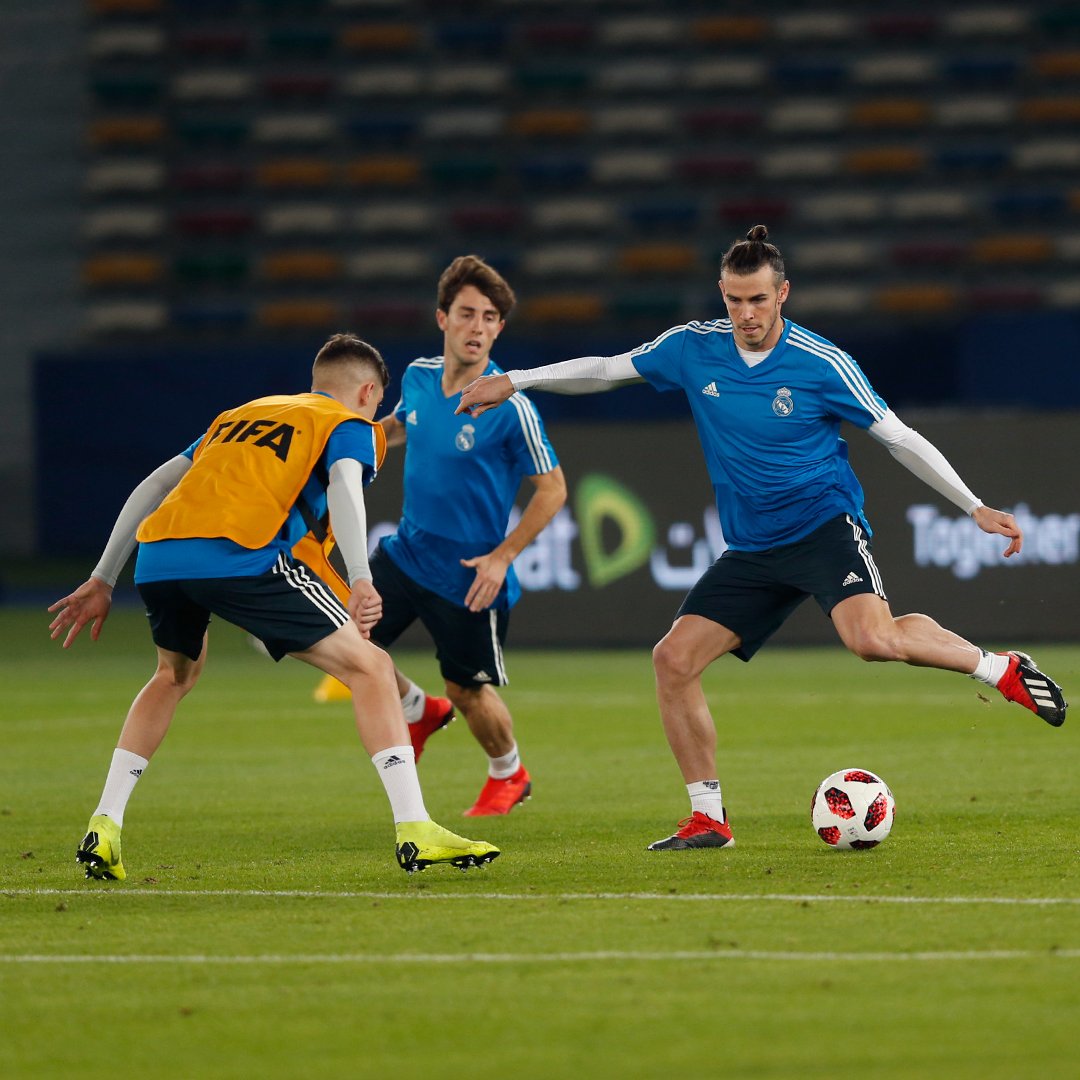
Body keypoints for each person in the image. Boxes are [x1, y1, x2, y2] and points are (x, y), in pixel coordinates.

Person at [457, 225, 1068, 850]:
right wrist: (518, 380)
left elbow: (899, 437)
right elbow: (609, 370)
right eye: (733, 300)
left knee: (872, 641)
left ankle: (999, 668)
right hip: (752, 547)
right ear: (722, 296)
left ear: (783, 294)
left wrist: (975, 506)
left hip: (823, 526)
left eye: (757, 300)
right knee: (672, 660)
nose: (745, 314)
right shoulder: (694, 348)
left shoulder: (820, 362)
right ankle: (708, 818)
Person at [48, 333, 499, 879]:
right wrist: (361, 577)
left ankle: (105, 823)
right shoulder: (348, 424)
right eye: (377, 403)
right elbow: (345, 486)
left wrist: (102, 577)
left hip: (160, 556)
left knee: (171, 676)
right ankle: (415, 828)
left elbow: (157, 482)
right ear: (368, 391)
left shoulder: (241, 415)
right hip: (240, 555)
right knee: (371, 665)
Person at [315, 255, 566, 816]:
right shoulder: (420, 377)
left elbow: (553, 490)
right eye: (467, 313)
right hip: (407, 553)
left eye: (490, 317)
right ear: (442, 318)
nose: (478, 327)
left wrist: (503, 558)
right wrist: (349, 447)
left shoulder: (512, 406)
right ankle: (413, 707)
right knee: (338, 637)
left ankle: (510, 773)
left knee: (466, 691)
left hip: (471, 573)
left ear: (500, 329)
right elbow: (403, 425)